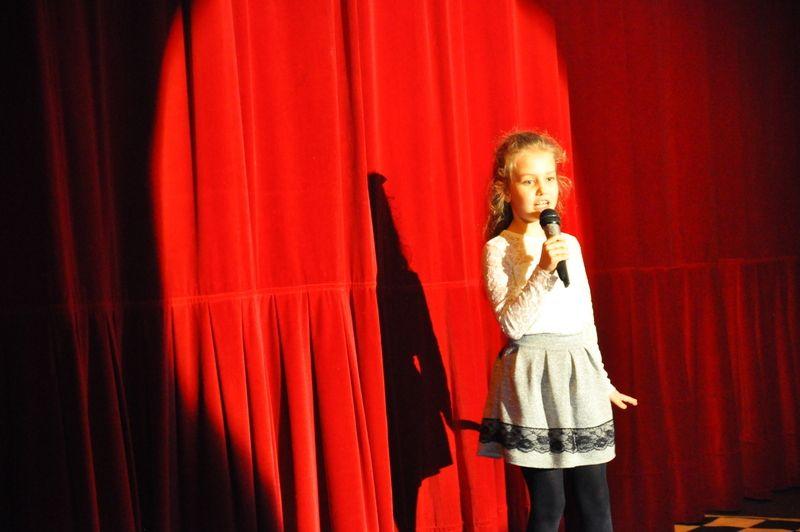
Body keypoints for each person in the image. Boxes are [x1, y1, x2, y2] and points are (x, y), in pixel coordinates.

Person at [477, 130, 638, 532]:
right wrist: (543, 270)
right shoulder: (499, 248)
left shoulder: (570, 243)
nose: (542, 190)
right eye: (529, 181)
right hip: (532, 377)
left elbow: (584, 318)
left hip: (579, 375)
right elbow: (512, 324)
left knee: (595, 501)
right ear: (506, 189)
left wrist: (603, 381)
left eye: (549, 178)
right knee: (550, 503)